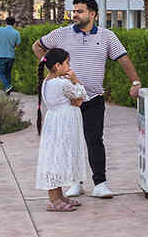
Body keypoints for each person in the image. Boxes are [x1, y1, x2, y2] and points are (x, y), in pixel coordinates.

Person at [32, 0, 143, 200]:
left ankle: (100, 184)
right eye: (74, 11)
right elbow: (37, 46)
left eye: (80, 11)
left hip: (93, 98)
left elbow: (123, 59)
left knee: (94, 140)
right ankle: (75, 183)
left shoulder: (107, 36)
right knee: (71, 142)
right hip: (69, 101)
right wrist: (51, 67)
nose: (75, 15)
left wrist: (135, 82)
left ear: (93, 14)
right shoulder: (61, 34)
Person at [35, 47, 88, 212]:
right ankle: (53, 200)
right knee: (57, 158)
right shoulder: (63, 83)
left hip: (55, 122)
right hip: (64, 124)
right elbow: (81, 96)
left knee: (56, 156)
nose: (69, 66)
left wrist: (74, 99)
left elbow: (76, 100)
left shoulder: (47, 82)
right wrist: (75, 79)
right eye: (67, 63)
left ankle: (58, 196)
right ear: (57, 66)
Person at [0, 16, 21, 95]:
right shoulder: (16, 33)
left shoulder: (0, 29)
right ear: (14, 23)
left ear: (5, 22)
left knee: (1, 74)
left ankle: (8, 86)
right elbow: (17, 44)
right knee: (8, 73)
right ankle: (7, 91)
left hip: (1, 55)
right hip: (11, 55)